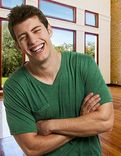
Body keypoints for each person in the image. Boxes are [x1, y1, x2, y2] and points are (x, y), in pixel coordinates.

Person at [3, 4, 114, 156]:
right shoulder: (14, 87)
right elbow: (32, 148)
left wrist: (50, 125)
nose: (33, 40)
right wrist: (81, 121)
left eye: (36, 30)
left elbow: (105, 121)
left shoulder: (84, 64)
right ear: (18, 45)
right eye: (23, 37)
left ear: (49, 30)